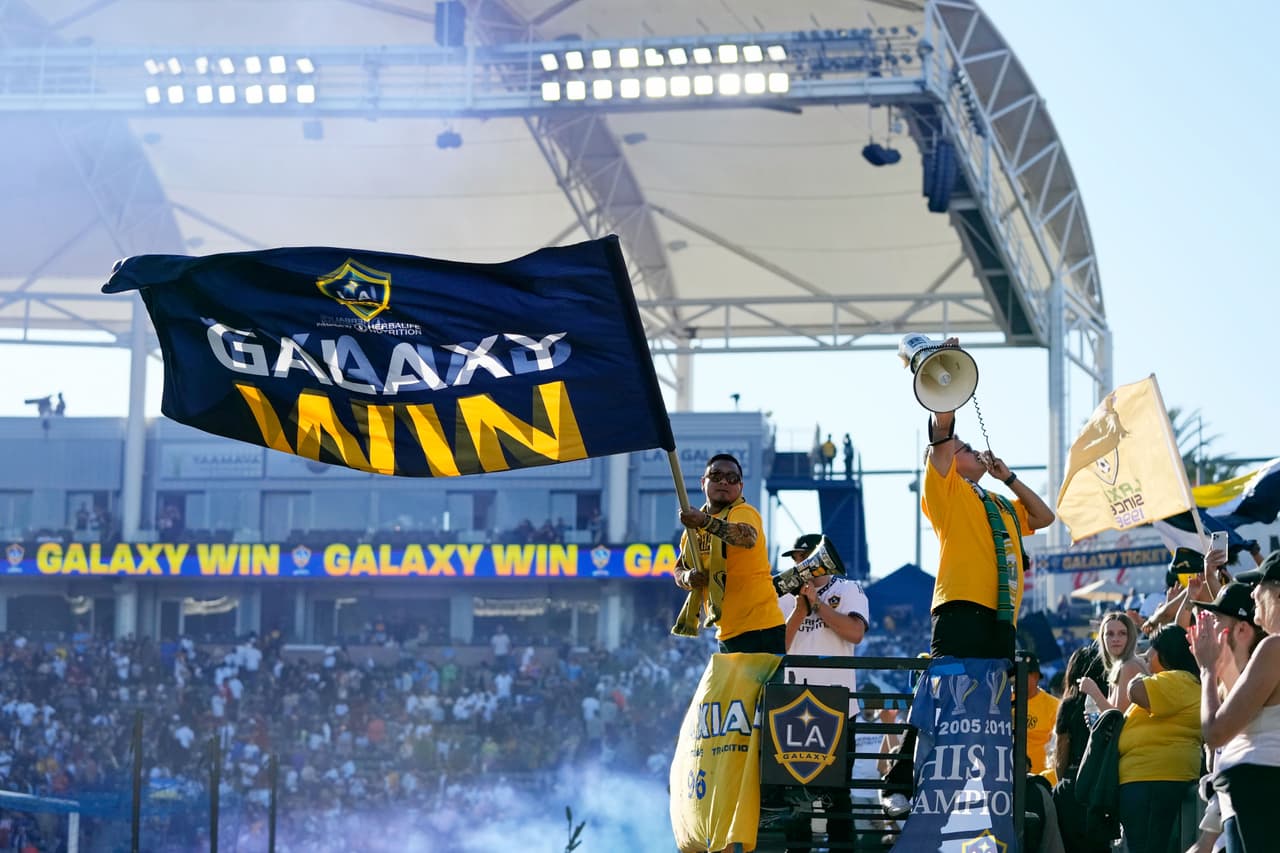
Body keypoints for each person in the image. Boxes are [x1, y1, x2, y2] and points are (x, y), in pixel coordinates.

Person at [920, 338, 1056, 658]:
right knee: (957, 701)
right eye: (963, 448)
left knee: (991, 705)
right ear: (949, 461)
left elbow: (1044, 517)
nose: (971, 448)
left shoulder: (996, 502)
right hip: (960, 607)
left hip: (1001, 615)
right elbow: (941, 434)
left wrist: (1008, 479)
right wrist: (947, 376)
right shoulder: (945, 487)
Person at [777, 532, 871, 853]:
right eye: (796, 559)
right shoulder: (783, 597)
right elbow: (779, 648)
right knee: (796, 793)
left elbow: (855, 632)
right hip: (793, 706)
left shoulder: (848, 589)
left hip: (837, 707)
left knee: (837, 793)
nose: (800, 564)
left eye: (805, 557)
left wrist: (817, 604)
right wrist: (800, 610)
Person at [1191, 552, 1280, 853]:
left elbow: (1216, 731)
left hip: (1260, 791)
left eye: (1260, 586)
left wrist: (1207, 670)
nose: (1254, 592)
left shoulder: (1275, 647)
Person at [673, 453, 785, 654]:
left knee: (756, 687)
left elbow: (746, 537)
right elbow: (679, 568)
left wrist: (704, 522)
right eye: (716, 476)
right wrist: (688, 577)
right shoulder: (691, 529)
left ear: (740, 487)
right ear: (703, 482)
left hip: (761, 629)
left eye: (732, 478)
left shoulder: (743, 511)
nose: (724, 481)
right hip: (727, 632)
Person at [1115, 624, 1202, 853]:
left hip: (1153, 778)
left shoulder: (1178, 679)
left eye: (1151, 650)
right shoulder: (1176, 682)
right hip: (1152, 778)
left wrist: (1138, 674)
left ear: (1165, 653)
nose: (1146, 656)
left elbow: (1136, 691)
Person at [1051, 645, 1111, 853]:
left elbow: (1061, 753)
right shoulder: (1109, 703)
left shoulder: (1069, 704)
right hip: (1104, 784)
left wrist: (1063, 781)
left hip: (1074, 782)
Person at [1023, 653, 1061, 780]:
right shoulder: (1001, 703)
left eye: (1021, 673)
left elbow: (1058, 750)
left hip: (1039, 781)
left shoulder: (1054, 707)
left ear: (1035, 676)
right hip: (1006, 779)